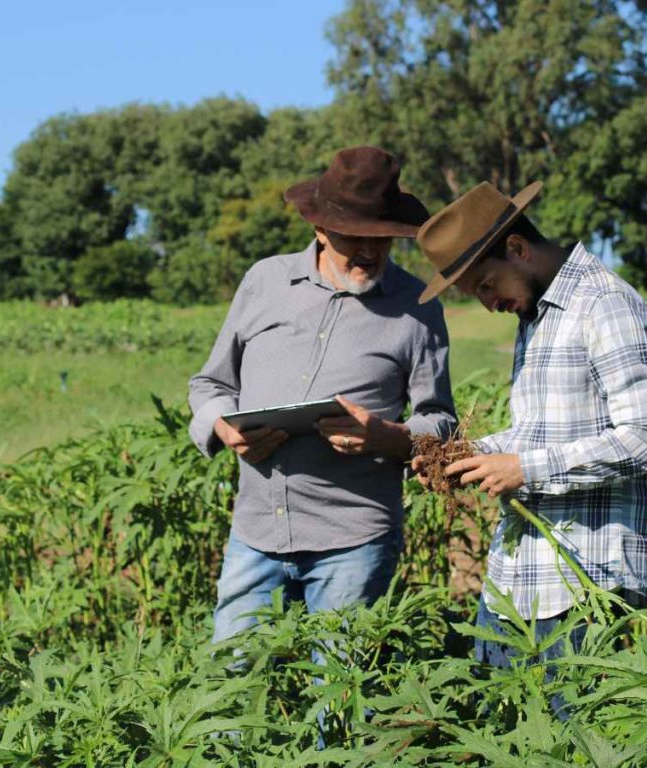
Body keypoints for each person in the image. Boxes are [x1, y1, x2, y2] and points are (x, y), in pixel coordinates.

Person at [188, 146, 458, 645]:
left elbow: (440, 421)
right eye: (354, 237)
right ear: (319, 228)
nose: (369, 252)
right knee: (231, 680)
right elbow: (211, 385)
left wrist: (385, 436)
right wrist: (224, 426)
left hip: (354, 540)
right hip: (255, 533)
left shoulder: (417, 307)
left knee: (338, 687)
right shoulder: (264, 282)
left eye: (381, 238)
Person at [413, 180, 647, 667]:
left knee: (574, 719)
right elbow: (540, 434)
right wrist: (471, 457)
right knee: (500, 713)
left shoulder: (604, 305)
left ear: (517, 249)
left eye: (486, 285)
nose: (488, 304)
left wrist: (525, 470)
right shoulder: (537, 316)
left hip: (588, 585)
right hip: (520, 580)